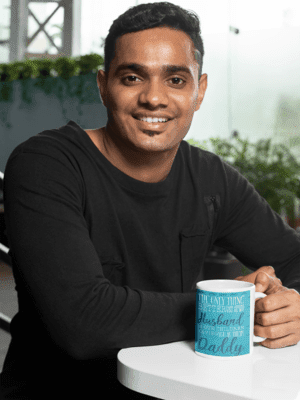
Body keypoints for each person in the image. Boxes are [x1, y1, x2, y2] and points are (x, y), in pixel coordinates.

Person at [1, 2, 300, 398]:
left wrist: (290, 305)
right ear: (103, 85)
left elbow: (294, 259)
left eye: (176, 80)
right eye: (132, 77)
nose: (154, 98)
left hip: (171, 391)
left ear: (200, 90)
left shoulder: (212, 179)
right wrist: (229, 311)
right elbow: (83, 322)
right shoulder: (47, 165)